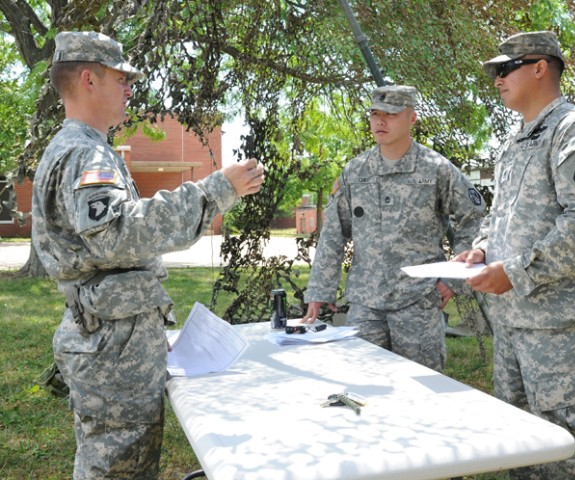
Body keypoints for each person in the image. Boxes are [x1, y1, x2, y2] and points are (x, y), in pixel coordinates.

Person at [31, 31, 264, 479]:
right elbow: (117, 233)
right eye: (122, 79)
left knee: (110, 462)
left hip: (113, 340)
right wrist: (217, 188)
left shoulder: (83, 148)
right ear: (88, 79)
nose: (130, 89)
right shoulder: (85, 154)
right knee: (120, 467)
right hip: (111, 350)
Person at [455, 31, 575, 479]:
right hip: (513, 324)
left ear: (540, 68)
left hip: (562, 327)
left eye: (504, 68)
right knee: (523, 452)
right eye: (495, 70)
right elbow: (502, 219)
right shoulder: (514, 144)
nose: (496, 78)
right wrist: (480, 250)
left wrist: (514, 271)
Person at [301, 85, 486, 371]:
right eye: (375, 113)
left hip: (418, 302)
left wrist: (453, 278)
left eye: (390, 114)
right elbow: (333, 233)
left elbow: (474, 219)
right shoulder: (356, 171)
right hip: (365, 305)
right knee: (362, 388)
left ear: (412, 118)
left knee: (421, 388)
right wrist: (319, 290)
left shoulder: (436, 169)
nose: (380, 121)